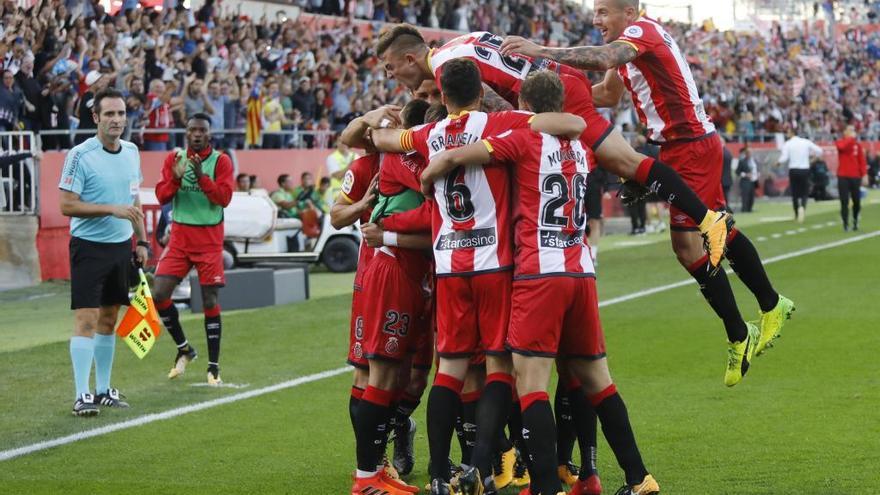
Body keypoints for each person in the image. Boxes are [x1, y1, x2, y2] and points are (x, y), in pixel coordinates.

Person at [503, 0, 794, 387]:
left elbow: (606, 56)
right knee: (715, 232)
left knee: (691, 247)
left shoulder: (641, 32)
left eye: (604, 12)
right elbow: (606, 96)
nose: (596, 20)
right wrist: (546, 98)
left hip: (691, 145)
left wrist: (541, 52)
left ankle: (743, 330)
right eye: (594, 12)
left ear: (628, 11)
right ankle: (769, 308)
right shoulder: (633, 44)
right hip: (682, 147)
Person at [418, 71, 659, 495]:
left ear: (524, 107)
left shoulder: (523, 140)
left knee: (529, 385)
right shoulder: (583, 148)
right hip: (580, 270)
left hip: (538, 273)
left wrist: (441, 162)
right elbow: (578, 126)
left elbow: (472, 151)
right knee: (598, 378)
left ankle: (546, 487)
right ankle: (640, 478)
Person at [362, 58, 587, 494]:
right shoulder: (499, 121)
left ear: (441, 96)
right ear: (481, 92)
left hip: (448, 265)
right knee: (500, 365)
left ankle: (437, 471)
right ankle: (480, 464)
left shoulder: (426, 134)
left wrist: (374, 130)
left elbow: (382, 138)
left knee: (450, 368)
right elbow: (567, 122)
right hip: (495, 262)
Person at [375, 24, 732, 272]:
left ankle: (705, 219)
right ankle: (706, 218)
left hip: (555, 94)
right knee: (628, 164)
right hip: (559, 78)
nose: (392, 77)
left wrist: (517, 132)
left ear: (409, 60)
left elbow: (496, 104)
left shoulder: (445, 68)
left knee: (629, 163)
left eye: (391, 68)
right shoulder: (459, 43)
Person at [58, 87, 149, 416]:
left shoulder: (131, 151)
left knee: (109, 320)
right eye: (109, 114)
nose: (116, 119)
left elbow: (134, 198)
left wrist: (141, 240)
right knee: (86, 319)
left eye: (121, 113)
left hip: (120, 249)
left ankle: (103, 390)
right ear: (95, 118)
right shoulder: (80, 155)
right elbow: (66, 205)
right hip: (89, 249)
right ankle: (81, 394)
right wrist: (111, 209)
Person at [151, 113, 234, 386]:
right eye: (192, 130)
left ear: (209, 135)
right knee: (159, 293)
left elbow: (223, 199)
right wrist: (175, 180)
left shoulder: (221, 161)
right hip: (180, 239)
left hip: (209, 241)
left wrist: (201, 178)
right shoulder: (175, 159)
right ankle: (185, 348)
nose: (197, 134)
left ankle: (213, 367)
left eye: (202, 130)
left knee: (209, 300)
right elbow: (161, 196)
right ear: (186, 134)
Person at [777, 128, 823, 222]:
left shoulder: (788, 144)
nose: (787, 134)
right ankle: (802, 207)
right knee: (804, 192)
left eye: (788, 132)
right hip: (804, 169)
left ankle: (796, 213)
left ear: (792, 133)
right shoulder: (805, 142)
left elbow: (784, 157)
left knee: (794, 193)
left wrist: (778, 162)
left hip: (793, 170)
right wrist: (814, 159)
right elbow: (820, 150)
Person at [834, 125, 868, 231]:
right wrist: (850, 138)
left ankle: (855, 219)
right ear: (845, 132)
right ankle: (845, 224)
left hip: (855, 176)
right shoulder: (841, 142)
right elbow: (842, 147)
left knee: (856, 200)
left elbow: (861, 161)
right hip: (843, 176)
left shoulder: (857, 145)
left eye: (853, 130)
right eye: (850, 130)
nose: (853, 132)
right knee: (844, 201)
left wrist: (864, 174)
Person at [737, 146, 758, 213]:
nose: (750, 154)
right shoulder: (742, 161)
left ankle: (750, 209)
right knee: (745, 196)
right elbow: (737, 172)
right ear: (746, 153)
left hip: (753, 181)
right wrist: (745, 175)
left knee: (751, 196)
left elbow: (756, 169)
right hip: (745, 182)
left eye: (750, 152)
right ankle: (744, 209)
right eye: (748, 152)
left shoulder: (754, 161)